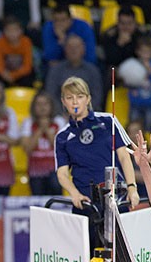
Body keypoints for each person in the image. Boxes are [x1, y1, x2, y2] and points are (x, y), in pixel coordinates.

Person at [54, 76, 139, 220]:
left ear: (88, 99)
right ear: (63, 101)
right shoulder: (62, 136)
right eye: (69, 97)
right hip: (85, 203)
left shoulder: (109, 120)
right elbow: (62, 174)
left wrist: (132, 187)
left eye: (80, 96)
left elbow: (124, 157)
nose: (75, 102)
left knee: (120, 235)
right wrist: (75, 194)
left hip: (116, 197)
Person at [44, 34, 104, 112]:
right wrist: (63, 112)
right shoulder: (56, 70)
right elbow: (51, 95)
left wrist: (82, 112)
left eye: (77, 47)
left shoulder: (92, 70)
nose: (73, 50)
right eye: (70, 47)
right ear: (65, 50)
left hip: (88, 113)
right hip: (61, 114)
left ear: (83, 50)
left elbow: (97, 96)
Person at [21, 92, 65, 196]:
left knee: (56, 191)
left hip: (55, 169)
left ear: (51, 106)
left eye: (45, 104)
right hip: (35, 169)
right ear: (33, 107)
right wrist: (40, 129)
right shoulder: (28, 122)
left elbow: (61, 148)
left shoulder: (59, 122)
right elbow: (27, 149)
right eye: (39, 104)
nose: (42, 107)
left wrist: (48, 131)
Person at [120, 37, 151, 131]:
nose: (145, 54)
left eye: (148, 52)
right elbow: (126, 81)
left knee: (149, 126)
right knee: (133, 125)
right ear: (138, 52)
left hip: (150, 103)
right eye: (143, 51)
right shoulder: (133, 64)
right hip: (135, 102)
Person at [0, 16, 36, 88]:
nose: (12, 33)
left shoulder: (26, 42)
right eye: (9, 30)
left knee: (30, 75)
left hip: (21, 74)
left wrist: (13, 75)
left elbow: (27, 66)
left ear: (21, 31)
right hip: (5, 75)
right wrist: (5, 74)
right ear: (4, 31)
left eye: (15, 30)